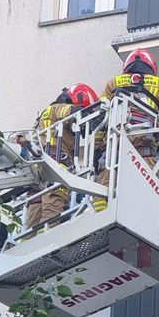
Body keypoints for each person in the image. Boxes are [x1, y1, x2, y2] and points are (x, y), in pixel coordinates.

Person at [93, 49, 159, 212]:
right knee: (149, 187)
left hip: (115, 145)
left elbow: (100, 115)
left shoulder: (113, 82)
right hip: (144, 146)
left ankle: (101, 216)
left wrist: (96, 149)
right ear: (151, 67)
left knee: (102, 190)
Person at [26, 83, 99, 229]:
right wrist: (94, 117)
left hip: (38, 170)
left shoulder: (41, 119)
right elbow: (73, 111)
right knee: (54, 200)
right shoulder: (57, 108)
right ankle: (47, 235)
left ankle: (30, 239)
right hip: (55, 163)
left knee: (35, 209)